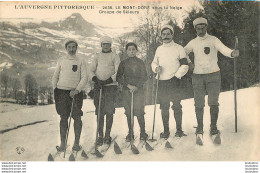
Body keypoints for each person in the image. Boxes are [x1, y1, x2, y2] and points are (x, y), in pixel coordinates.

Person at [184, 17, 239, 136]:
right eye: (198, 28)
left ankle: (213, 127)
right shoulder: (193, 42)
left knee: (213, 102)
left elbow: (223, 49)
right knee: (199, 102)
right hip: (198, 76)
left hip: (213, 75)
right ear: (195, 29)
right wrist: (189, 63)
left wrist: (231, 53)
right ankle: (200, 127)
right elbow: (183, 53)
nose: (201, 30)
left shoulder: (213, 40)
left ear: (206, 27)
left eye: (203, 27)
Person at [151, 25, 189, 139]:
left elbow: (185, 65)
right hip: (161, 81)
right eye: (164, 34)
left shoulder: (179, 48)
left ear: (172, 35)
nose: (166, 36)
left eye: (168, 34)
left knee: (176, 105)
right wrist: (155, 68)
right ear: (161, 36)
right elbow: (153, 63)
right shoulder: (159, 49)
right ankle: (166, 131)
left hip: (175, 81)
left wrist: (177, 76)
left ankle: (179, 130)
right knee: (164, 107)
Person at [52, 39, 87, 151]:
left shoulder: (81, 60)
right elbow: (55, 76)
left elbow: (84, 77)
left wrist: (76, 90)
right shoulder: (61, 60)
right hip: (61, 92)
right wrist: (56, 88)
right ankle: (63, 144)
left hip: (75, 94)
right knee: (63, 118)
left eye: (74, 47)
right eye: (69, 47)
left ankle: (76, 144)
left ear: (77, 48)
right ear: (66, 48)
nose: (71, 49)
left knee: (77, 117)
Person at [89, 36, 120, 146]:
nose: (106, 46)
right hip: (99, 87)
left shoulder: (114, 56)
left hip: (110, 87)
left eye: (108, 44)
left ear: (110, 45)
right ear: (101, 45)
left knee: (109, 111)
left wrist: (109, 79)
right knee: (100, 111)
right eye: (104, 44)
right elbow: (91, 70)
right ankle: (100, 135)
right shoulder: (97, 56)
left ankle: (107, 135)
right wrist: (95, 79)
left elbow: (118, 71)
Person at [116, 42, 148, 141]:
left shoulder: (140, 62)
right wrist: (128, 86)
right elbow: (118, 77)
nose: (131, 51)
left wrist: (137, 86)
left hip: (138, 91)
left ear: (136, 51)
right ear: (126, 51)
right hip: (127, 91)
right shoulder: (123, 63)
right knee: (129, 112)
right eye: (129, 49)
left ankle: (143, 132)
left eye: (133, 49)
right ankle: (130, 133)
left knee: (139, 111)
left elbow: (144, 77)